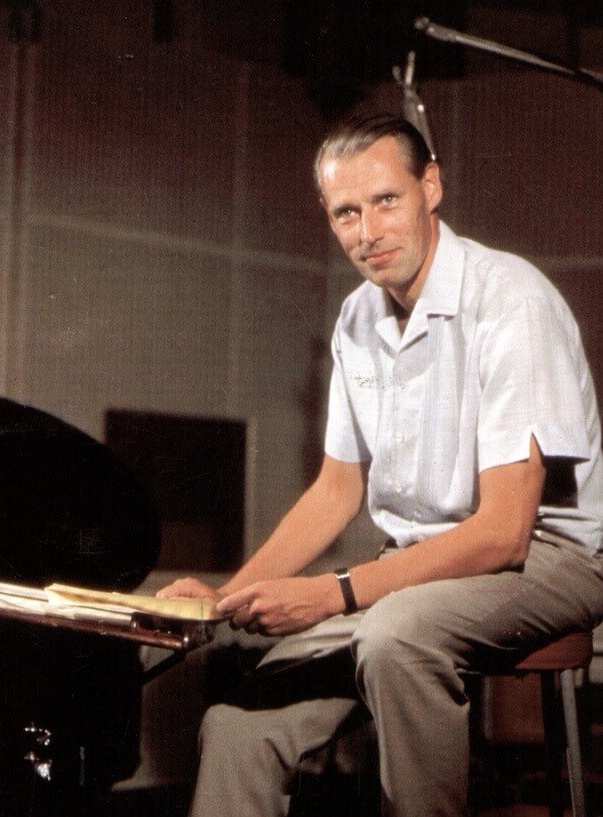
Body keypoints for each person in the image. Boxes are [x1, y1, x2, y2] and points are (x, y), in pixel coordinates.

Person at [159, 114, 603, 816]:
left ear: (431, 187)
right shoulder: (357, 318)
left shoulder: (509, 299)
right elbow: (336, 490)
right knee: (237, 720)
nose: (368, 231)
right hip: (414, 565)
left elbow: (504, 533)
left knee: (398, 636)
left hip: (549, 557)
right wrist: (224, 601)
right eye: (346, 212)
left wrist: (334, 592)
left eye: (386, 200)